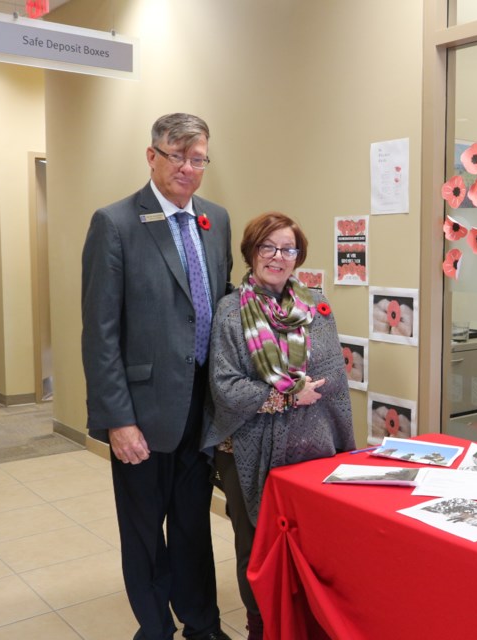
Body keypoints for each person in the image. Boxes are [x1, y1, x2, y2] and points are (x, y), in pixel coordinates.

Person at [81, 113, 233, 640]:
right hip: (142, 412)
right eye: (177, 157)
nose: (188, 169)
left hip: (201, 408)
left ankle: (201, 622)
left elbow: (220, 305)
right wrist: (116, 420)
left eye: (198, 159)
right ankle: (153, 628)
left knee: (193, 526)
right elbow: (99, 334)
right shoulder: (116, 222)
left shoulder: (216, 220)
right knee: (145, 532)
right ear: (152, 156)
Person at [202, 211, 355, 639]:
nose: (277, 257)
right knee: (256, 547)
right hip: (247, 450)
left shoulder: (314, 306)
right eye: (267, 247)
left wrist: (344, 445)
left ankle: (306, 623)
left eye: (287, 249)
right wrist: (286, 397)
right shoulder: (231, 311)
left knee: (312, 550)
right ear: (252, 252)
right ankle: (262, 625)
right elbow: (226, 387)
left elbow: (334, 381)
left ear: (298, 256)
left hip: (311, 451)